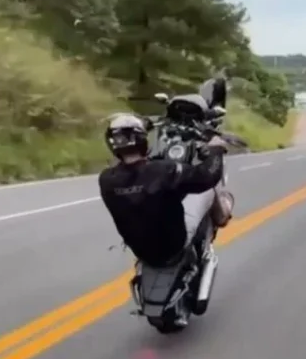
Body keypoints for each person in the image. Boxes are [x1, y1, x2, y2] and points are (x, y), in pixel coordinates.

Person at [98, 113, 233, 269]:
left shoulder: (106, 179)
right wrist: (216, 149)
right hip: (173, 247)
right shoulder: (164, 171)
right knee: (209, 190)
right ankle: (222, 217)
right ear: (142, 140)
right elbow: (208, 176)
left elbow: (128, 172)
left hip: (143, 253)